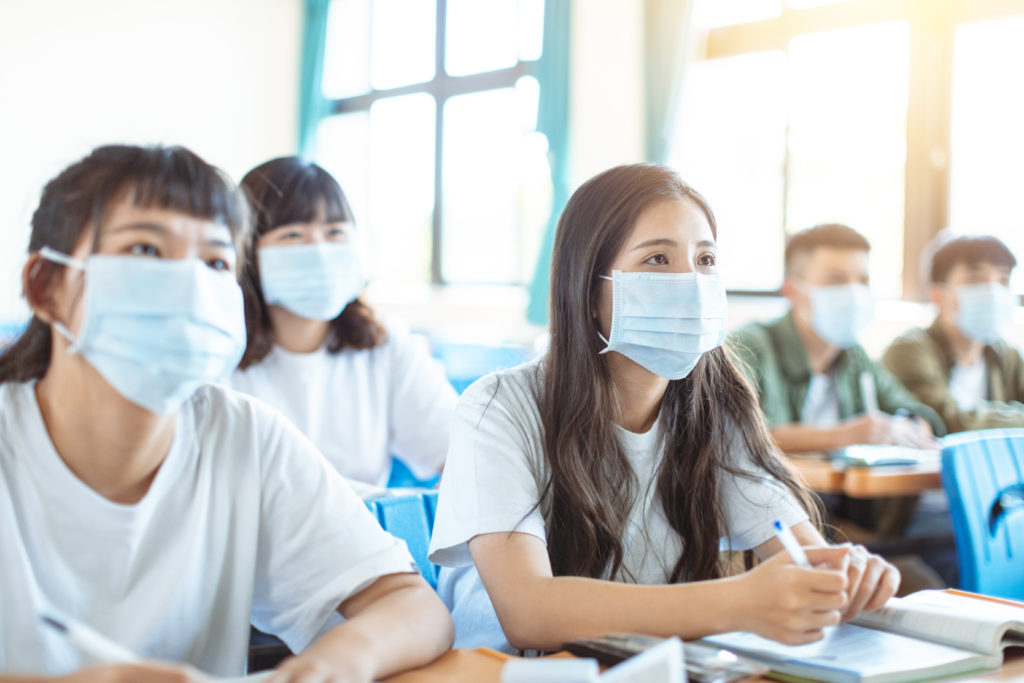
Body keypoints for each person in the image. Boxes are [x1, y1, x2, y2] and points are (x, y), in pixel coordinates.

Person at [0, 145, 453, 680]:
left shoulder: (247, 438)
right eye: (145, 249)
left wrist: (331, 664)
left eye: (214, 261)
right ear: (46, 287)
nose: (189, 283)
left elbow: (411, 606)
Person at [427, 164, 899, 654]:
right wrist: (741, 601)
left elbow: (802, 552)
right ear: (589, 291)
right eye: (657, 259)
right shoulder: (498, 408)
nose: (691, 283)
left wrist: (843, 578)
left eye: (706, 260)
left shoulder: (718, 405)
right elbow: (528, 613)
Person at [229, 157, 457, 487]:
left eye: (334, 232)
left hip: (363, 536)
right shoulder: (221, 356)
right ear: (247, 249)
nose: (319, 249)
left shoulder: (384, 346)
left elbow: (461, 455)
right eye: (292, 234)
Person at [728, 224, 945, 457]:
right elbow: (736, 434)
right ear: (792, 290)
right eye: (836, 280)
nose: (853, 292)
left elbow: (916, 412)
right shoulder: (748, 347)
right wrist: (847, 435)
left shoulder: (854, 355)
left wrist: (908, 425)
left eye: (862, 281)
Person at [883, 235, 1024, 433]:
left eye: (1003, 281)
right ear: (938, 295)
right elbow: (947, 421)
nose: (993, 291)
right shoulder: (909, 350)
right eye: (976, 280)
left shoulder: (1006, 356)